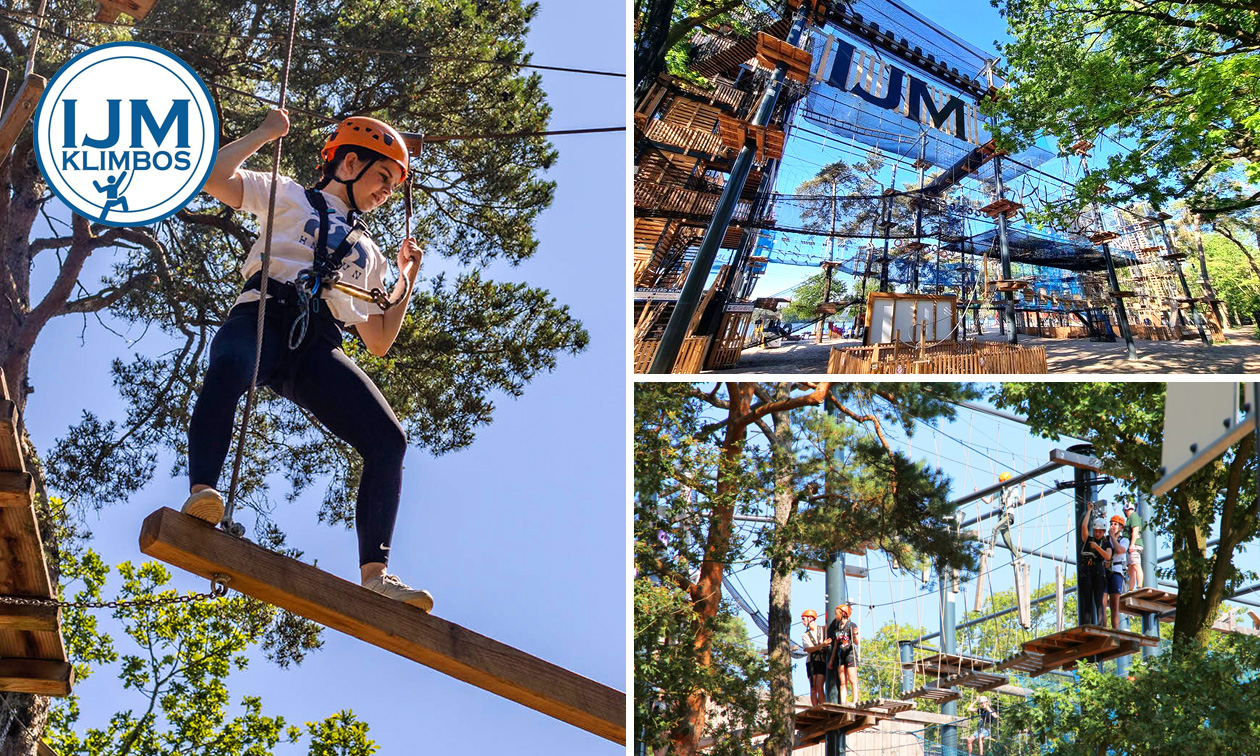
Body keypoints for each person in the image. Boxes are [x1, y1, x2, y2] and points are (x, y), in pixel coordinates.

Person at [182, 108, 433, 611]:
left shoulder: (370, 253)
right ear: (348, 163)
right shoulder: (290, 196)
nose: (386, 191)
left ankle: (376, 575)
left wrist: (406, 276)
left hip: (317, 342)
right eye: (382, 176)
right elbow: (211, 178)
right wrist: (264, 133)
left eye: (391, 184)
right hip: (265, 313)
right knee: (230, 365)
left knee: (389, 440)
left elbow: (380, 337)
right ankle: (203, 493)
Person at [1079, 502, 1112, 626]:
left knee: (1099, 600)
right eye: (1096, 531)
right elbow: (1083, 527)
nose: (1097, 533)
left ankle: (1099, 625)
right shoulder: (1089, 540)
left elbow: (1108, 556)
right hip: (1087, 571)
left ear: (1103, 532)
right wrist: (1088, 511)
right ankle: (1087, 624)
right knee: (1086, 601)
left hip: (1098, 572)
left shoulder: (1106, 543)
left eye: (1099, 532)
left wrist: (1097, 548)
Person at [827, 603, 860, 704]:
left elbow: (857, 642)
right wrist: (832, 660)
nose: (835, 616)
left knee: (852, 679)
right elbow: (835, 645)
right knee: (842, 681)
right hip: (839, 655)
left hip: (849, 654)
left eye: (837, 614)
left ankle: (855, 702)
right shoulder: (837, 629)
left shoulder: (851, 625)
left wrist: (854, 635)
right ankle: (843, 702)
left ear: (843, 614)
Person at [1106, 514, 1130, 629]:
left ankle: (1115, 630)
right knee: (1102, 602)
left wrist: (1112, 537)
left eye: (1116, 524)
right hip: (1105, 571)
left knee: (1114, 605)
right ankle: (1103, 628)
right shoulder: (1105, 539)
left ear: (1121, 528)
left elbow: (1120, 550)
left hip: (1116, 572)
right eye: (1111, 524)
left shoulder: (1124, 540)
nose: (1113, 526)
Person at [801, 609, 828, 706]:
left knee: (819, 686)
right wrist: (821, 645)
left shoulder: (823, 629)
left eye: (804, 619)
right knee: (813, 688)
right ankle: (815, 707)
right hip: (811, 661)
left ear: (811, 618)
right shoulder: (805, 635)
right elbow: (808, 649)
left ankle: (822, 706)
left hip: (821, 660)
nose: (803, 622)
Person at [1124, 501, 1144, 591]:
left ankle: (1139, 585)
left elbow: (1135, 530)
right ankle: (1131, 588)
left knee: (1136, 565)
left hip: (1134, 545)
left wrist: (1132, 544)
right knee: (1130, 568)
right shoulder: (1130, 518)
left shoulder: (1133, 516)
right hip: (1130, 546)